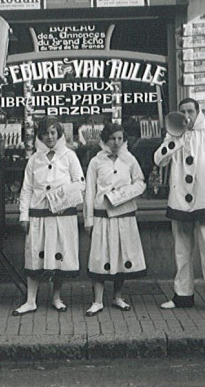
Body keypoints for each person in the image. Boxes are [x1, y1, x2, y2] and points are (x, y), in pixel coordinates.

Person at [153, 98, 205, 316]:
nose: (186, 115)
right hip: (180, 201)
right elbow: (159, 160)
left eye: (190, 111)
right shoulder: (174, 134)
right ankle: (182, 296)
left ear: (198, 112)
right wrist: (175, 140)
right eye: (182, 112)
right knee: (182, 252)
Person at [13, 117, 85, 316]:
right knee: (36, 255)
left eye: (54, 132)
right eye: (46, 133)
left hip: (62, 215)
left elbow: (80, 182)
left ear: (59, 134)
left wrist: (60, 195)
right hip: (39, 214)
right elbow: (26, 189)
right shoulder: (34, 159)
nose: (50, 136)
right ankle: (31, 300)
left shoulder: (69, 156)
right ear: (40, 135)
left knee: (59, 256)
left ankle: (56, 297)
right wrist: (23, 216)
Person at [83, 122, 147, 316]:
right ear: (105, 140)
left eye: (120, 138)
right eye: (112, 138)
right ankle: (97, 301)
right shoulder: (96, 161)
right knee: (100, 257)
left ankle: (117, 296)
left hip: (124, 216)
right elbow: (90, 191)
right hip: (103, 217)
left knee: (121, 256)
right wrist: (88, 219)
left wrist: (125, 193)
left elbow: (140, 182)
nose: (116, 142)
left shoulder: (129, 159)